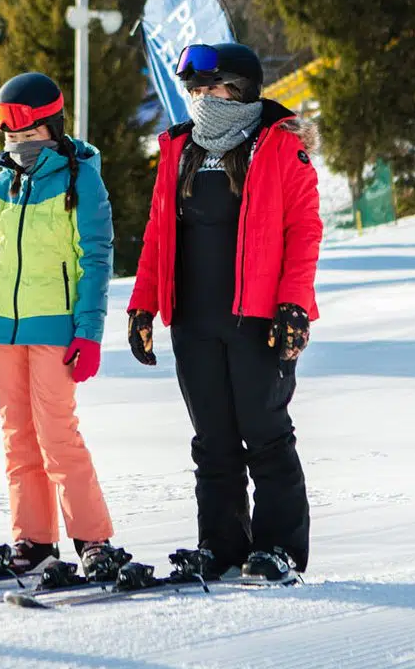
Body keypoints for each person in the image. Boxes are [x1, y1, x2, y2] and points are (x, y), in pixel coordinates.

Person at [125, 42, 320, 582]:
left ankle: (279, 548)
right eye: (194, 90)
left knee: (265, 433)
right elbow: (159, 234)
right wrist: (144, 305)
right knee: (212, 441)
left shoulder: (279, 147)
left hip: (259, 319)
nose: (201, 99)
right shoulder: (179, 148)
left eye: (211, 89)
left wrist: (294, 307)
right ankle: (221, 546)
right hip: (193, 317)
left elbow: (303, 231)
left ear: (241, 90)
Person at [0, 72, 121, 575]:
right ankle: (34, 539)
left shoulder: (79, 179)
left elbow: (95, 257)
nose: (19, 144)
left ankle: (93, 538)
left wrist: (89, 332)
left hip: (55, 327)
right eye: (10, 136)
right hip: (2, 331)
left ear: (51, 127)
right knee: (18, 438)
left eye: (28, 134)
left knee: (56, 435)